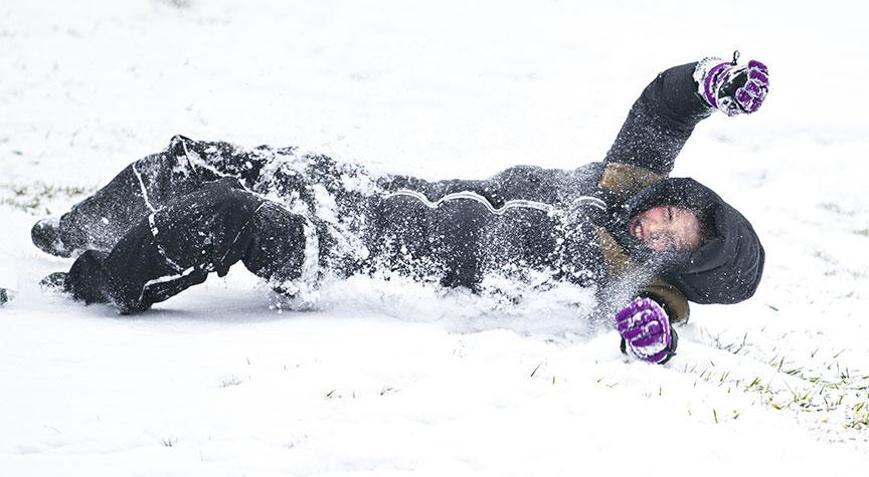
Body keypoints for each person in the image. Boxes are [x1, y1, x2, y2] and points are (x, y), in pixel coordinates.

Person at [27, 55, 769, 364]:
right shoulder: (620, 185)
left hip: (353, 259)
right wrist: (712, 79)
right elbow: (661, 111)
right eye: (673, 208)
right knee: (204, 158)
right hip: (369, 192)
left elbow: (655, 330)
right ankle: (79, 230)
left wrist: (648, 336)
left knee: (222, 210)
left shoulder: (634, 283)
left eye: (672, 237)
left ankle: (93, 283)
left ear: (675, 264)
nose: (657, 221)